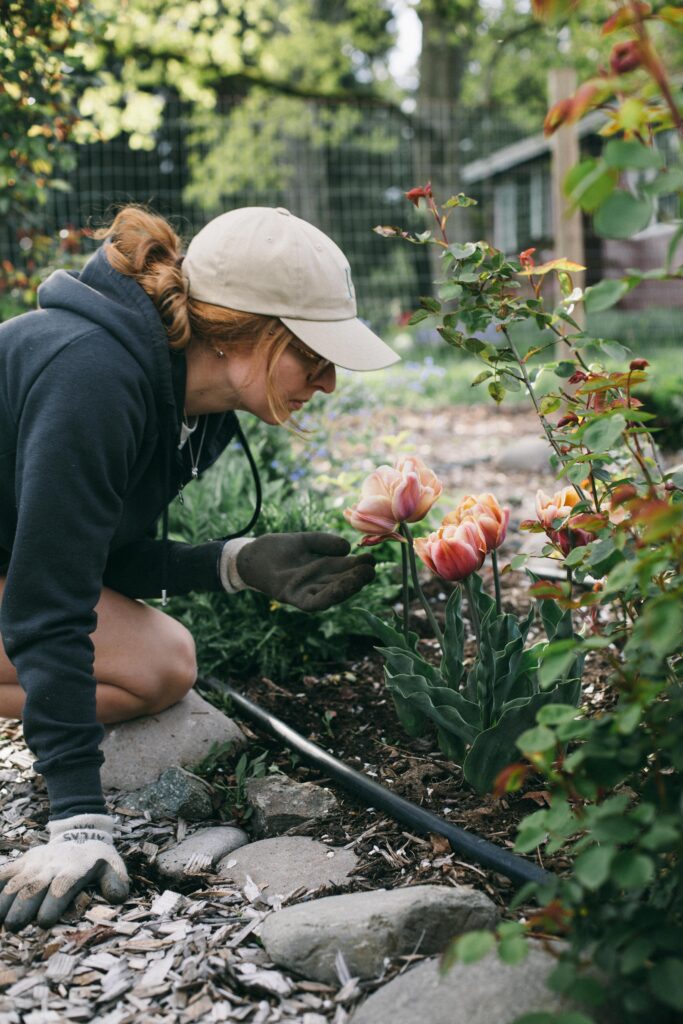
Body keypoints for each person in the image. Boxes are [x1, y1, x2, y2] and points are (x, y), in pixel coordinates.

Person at [0, 205, 399, 932]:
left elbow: (96, 555)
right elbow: (49, 597)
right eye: (313, 354)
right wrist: (79, 823)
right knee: (140, 658)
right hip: (19, 581)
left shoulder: (199, 407)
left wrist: (236, 564)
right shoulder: (91, 376)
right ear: (242, 329)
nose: (328, 380)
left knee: (161, 666)